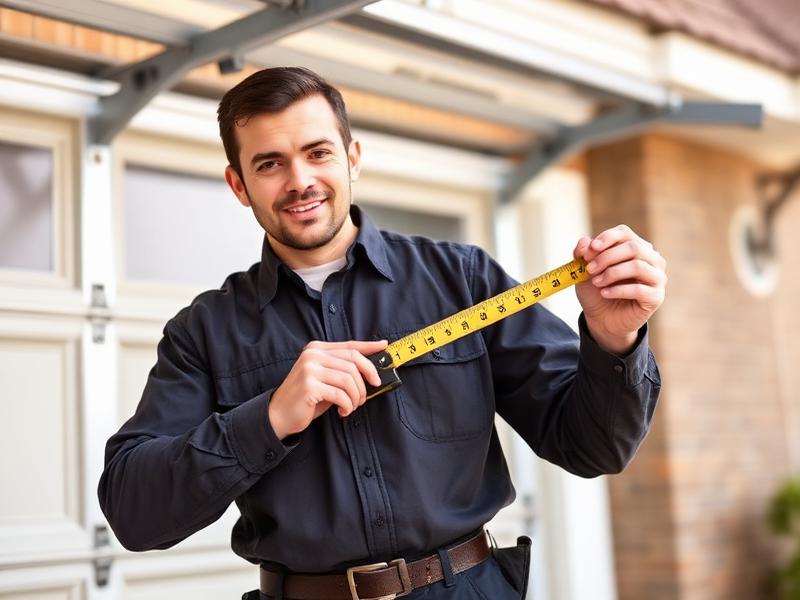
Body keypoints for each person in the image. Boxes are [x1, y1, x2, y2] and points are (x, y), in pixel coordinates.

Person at [99, 67, 665, 600]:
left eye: (317, 153)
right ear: (239, 184)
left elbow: (594, 448)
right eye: (269, 164)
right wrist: (270, 416)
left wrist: (614, 339)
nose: (301, 181)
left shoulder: (462, 279)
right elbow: (135, 514)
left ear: (352, 158)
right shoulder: (204, 331)